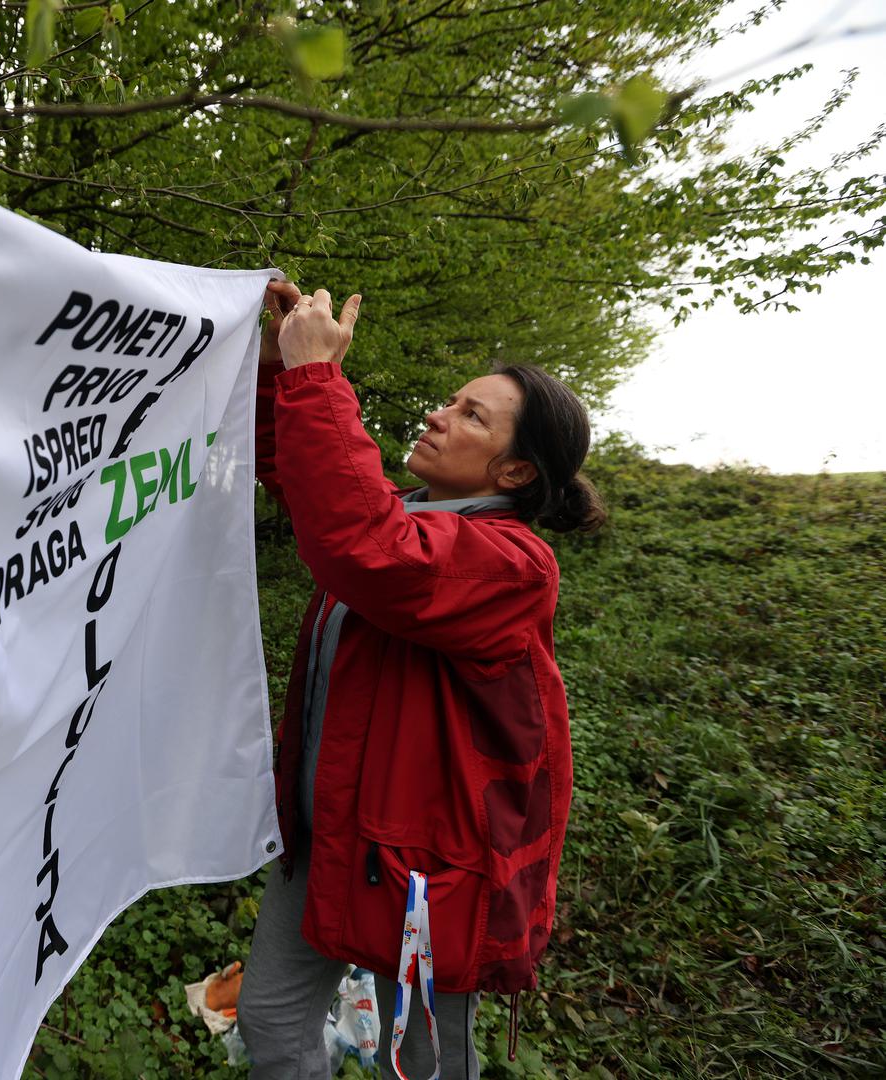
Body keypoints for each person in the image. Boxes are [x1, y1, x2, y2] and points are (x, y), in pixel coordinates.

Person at [237, 279, 606, 1080]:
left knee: (422, 1064)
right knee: (270, 1021)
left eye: (471, 416)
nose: (439, 415)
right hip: (328, 832)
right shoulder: (404, 513)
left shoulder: (511, 566)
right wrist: (278, 371)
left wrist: (317, 377)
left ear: (514, 471)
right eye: (451, 401)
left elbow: (364, 545)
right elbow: (306, 477)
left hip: (427, 874)